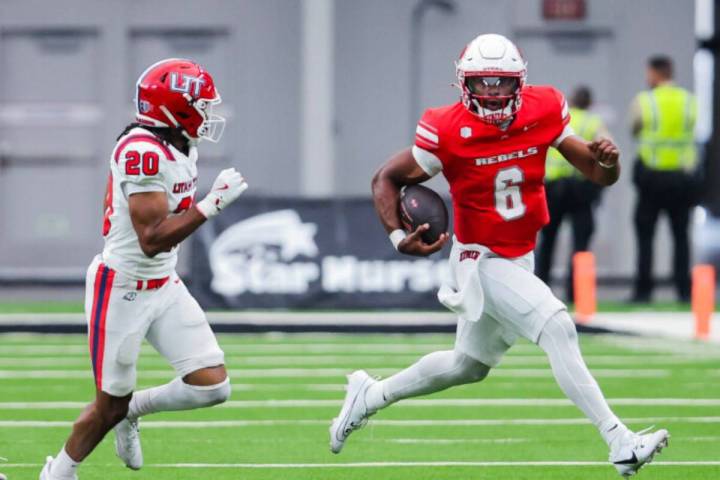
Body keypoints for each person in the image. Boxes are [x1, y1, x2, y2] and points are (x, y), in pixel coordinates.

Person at [329, 34, 668, 477]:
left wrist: (608, 161)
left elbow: (596, 173)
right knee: (558, 326)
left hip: (520, 254)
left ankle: (369, 395)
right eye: (482, 82)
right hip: (479, 258)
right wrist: (397, 237)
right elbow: (385, 178)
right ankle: (619, 441)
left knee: (466, 366)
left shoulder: (545, 108)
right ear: (463, 83)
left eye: (501, 82)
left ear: (520, 82)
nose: (491, 93)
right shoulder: (445, 128)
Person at [40, 58, 249, 480]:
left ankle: (132, 411)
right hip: (122, 287)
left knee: (212, 385)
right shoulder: (142, 152)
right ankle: (57, 473)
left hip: (164, 284)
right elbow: (151, 239)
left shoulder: (177, 143)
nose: (209, 114)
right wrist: (212, 205)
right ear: (176, 108)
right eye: (202, 105)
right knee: (107, 404)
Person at [630, 55, 698, 303]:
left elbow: (635, 128)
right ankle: (684, 291)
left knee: (645, 236)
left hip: (652, 177)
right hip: (682, 178)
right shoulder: (690, 101)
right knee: (681, 236)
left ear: (657, 73)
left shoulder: (645, 101)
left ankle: (643, 291)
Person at [536, 86, 610, 301]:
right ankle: (576, 292)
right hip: (581, 189)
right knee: (580, 244)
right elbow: (606, 146)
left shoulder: (558, 120)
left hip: (554, 189)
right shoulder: (593, 122)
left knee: (548, 241)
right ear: (590, 103)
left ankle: (541, 289)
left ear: (570, 101)